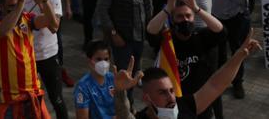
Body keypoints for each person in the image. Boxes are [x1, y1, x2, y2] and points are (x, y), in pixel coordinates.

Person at [112, 40, 261, 119]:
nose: (171, 96)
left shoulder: (185, 105)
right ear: (147, 97)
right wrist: (120, 92)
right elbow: (124, 115)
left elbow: (216, 85)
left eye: (171, 90)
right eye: (162, 93)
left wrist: (239, 56)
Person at [145, 0, 225, 118]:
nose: (185, 20)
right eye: (179, 17)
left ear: (194, 18)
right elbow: (150, 31)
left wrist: (196, 8)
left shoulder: (202, 38)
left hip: (199, 102)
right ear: (173, 20)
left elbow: (221, 30)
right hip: (174, 103)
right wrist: (168, 8)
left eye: (188, 16)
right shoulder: (167, 40)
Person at [0, 0, 57, 119]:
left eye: (17, 4)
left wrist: (43, 0)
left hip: (32, 93)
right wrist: (21, 4)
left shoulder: (27, 19)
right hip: (9, 100)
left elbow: (52, 23)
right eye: (11, 6)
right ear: (1, 6)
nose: (16, 9)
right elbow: (3, 31)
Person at [206, 0, 253, 100]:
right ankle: (219, 81)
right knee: (218, 51)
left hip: (237, 17)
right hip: (218, 15)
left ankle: (238, 82)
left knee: (237, 51)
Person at [23, 0, 67, 119]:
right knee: (30, 101)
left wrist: (42, 0)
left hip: (48, 55)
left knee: (57, 99)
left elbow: (54, 27)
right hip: (28, 57)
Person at [73, 40, 115, 119]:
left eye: (106, 59)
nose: (103, 63)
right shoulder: (83, 87)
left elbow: (123, 110)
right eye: (98, 59)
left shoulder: (114, 79)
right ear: (90, 61)